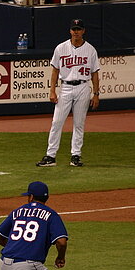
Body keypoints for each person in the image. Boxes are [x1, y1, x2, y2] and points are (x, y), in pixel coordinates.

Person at [36, 18, 100, 168]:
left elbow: (95, 73)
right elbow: (55, 70)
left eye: (79, 29)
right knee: (56, 122)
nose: (76, 32)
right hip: (65, 87)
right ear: (70, 31)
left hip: (83, 87)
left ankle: (75, 156)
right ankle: (51, 156)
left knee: (79, 124)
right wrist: (52, 90)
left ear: (83, 31)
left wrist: (96, 93)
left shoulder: (90, 50)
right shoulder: (61, 48)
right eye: (74, 29)